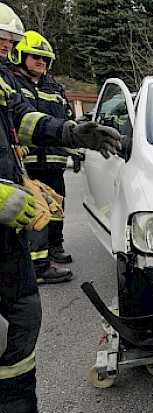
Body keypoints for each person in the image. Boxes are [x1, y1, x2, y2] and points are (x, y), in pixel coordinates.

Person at [0, 3, 122, 413]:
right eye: (4, 41)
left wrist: (71, 133)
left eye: (12, 44)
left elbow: (20, 119)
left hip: (11, 216)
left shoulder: (4, 82)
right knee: (13, 322)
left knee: (20, 318)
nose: (8, 50)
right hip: (6, 208)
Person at [8, 30, 75, 284]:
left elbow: (66, 120)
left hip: (54, 160)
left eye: (45, 59)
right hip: (27, 161)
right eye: (36, 57)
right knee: (34, 209)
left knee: (56, 205)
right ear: (20, 56)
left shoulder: (55, 87)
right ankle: (37, 263)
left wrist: (75, 152)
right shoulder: (13, 85)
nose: (41, 63)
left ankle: (54, 248)